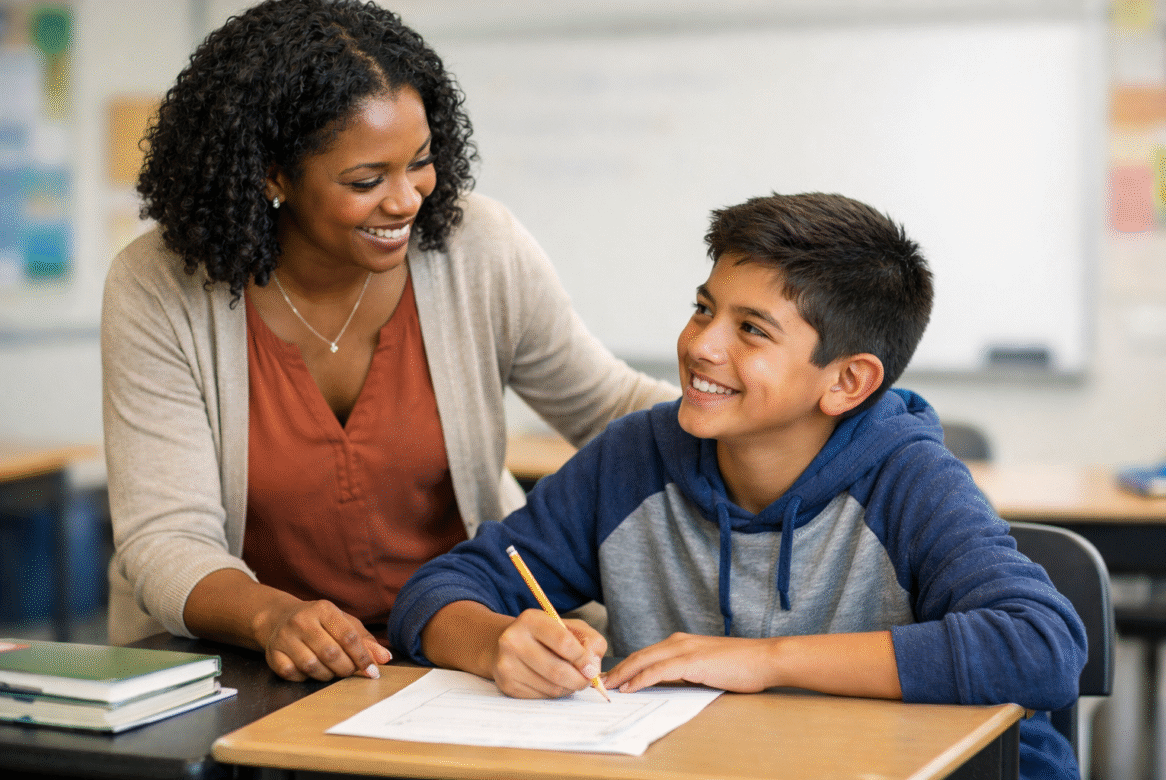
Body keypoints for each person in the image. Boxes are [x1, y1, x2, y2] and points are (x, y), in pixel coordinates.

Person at [387, 192, 1088, 780]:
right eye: (703, 308)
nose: (701, 345)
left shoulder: (906, 478)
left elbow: (1041, 647)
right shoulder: (637, 455)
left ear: (847, 381)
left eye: (750, 330)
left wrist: (763, 661)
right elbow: (439, 591)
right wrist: (496, 643)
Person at [101, 0, 676, 683]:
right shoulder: (159, 285)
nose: (407, 200)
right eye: (367, 180)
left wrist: (766, 418)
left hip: (458, 649)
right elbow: (167, 539)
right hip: (240, 663)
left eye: (421, 163)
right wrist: (272, 617)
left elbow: (613, 408)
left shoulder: (477, 248)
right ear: (272, 174)